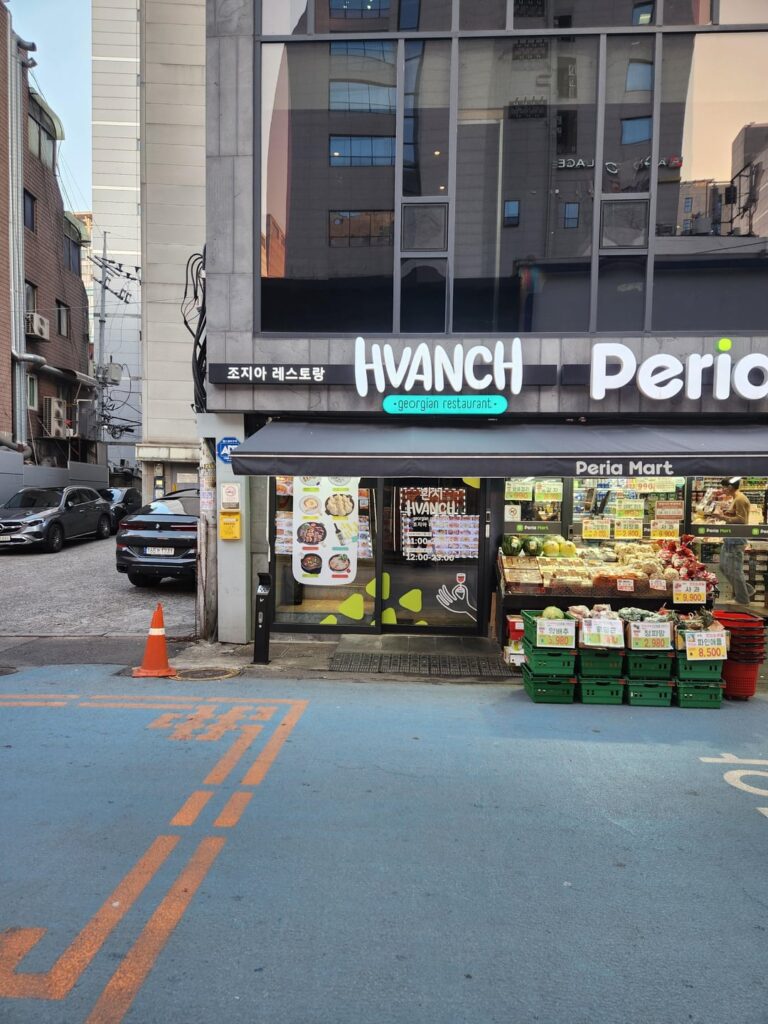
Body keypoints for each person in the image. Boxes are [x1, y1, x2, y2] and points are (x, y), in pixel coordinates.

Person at [713, 477, 754, 605]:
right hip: (730, 538)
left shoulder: (741, 499)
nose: (722, 489)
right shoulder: (736, 498)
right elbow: (736, 516)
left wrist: (722, 516)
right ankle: (746, 590)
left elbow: (741, 520)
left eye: (723, 487)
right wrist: (726, 513)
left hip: (736, 539)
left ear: (730, 487)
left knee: (735, 569)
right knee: (724, 567)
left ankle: (742, 599)